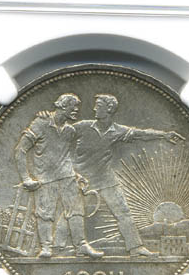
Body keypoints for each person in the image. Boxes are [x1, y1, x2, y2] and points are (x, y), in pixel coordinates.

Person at [73, 94, 183, 257]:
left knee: (123, 211)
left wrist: (164, 135)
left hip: (105, 178)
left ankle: (135, 247)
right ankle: (58, 247)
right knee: (71, 213)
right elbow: (59, 134)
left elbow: (141, 134)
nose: (94, 109)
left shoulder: (117, 131)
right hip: (80, 179)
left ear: (109, 109)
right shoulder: (82, 126)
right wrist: (46, 120)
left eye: (99, 106)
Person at [14, 93, 103, 259]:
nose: (76, 111)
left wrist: (76, 175)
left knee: (76, 211)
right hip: (45, 179)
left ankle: (81, 246)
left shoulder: (70, 130)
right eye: (73, 107)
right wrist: (26, 178)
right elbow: (20, 150)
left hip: (68, 177)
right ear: (63, 106)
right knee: (45, 213)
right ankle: (46, 247)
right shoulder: (41, 123)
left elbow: (64, 156)